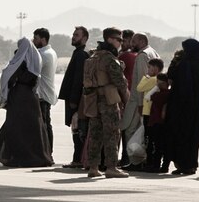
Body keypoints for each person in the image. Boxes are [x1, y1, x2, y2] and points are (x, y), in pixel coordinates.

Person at [0, 36, 52, 168]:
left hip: (19, 97)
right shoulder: (34, 60)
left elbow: (10, 76)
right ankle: (35, 156)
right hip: (30, 98)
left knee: (16, 127)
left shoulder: (20, 60)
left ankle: (18, 156)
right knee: (31, 128)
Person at [79, 27, 130, 179]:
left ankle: (93, 167)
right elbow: (120, 82)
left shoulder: (93, 57)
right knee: (112, 133)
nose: (120, 43)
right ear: (110, 39)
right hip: (108, 100)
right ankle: (111, 167)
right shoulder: (109, 58)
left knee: (95, 134)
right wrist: (127, 100)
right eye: (118, 39)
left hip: (93, 100)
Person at [162, 37, 199, 176]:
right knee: (193, 135)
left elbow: (170, 79)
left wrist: (173, 63)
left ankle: (181, 164)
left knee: (179, 134)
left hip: (179, 107)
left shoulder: (182, 64)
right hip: (196, 107)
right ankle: (191, 164)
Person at [58, 26, 89, 169]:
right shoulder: (78, 53)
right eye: (73, 34)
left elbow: (78, 79)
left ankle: (78, 159)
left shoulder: (81, 55)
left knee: (78, 129)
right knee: (76, 128)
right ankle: (78, 158)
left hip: (75, 100)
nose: (73, 37)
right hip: (73, 99)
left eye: (76, 35)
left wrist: (74, 101)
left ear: (84, 38)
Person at [33, 28, 59, 165]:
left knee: (43, 126)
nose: (34, 41)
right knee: (46, 124)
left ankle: (47, 154)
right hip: (46, 93)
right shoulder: (51, 52)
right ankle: (48, 153)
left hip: (42, 95)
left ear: (43, 39)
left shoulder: (43, 54)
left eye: (36, 38)